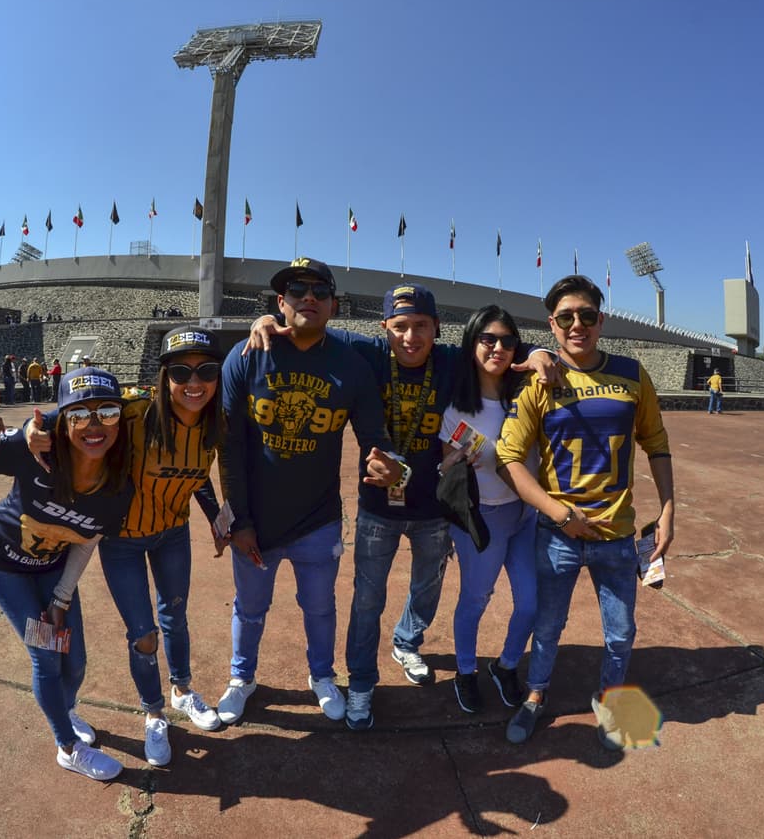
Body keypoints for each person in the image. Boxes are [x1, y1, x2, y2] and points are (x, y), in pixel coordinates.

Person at [244, 282, 557, 731]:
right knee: (367, 600)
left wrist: (541, 351)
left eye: (422, 326)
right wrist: (267, 321)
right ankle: (362, 682)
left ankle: (407, 641)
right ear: (384, 327)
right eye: (401, 326)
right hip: (378, 508)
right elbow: (310, 327)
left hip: (433, 508)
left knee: (427, 590)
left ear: (437, 328)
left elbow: (499, 347)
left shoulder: (451, 360)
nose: (411, 337)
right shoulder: (367, 353)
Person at [25, 327, 228, 767]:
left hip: (173, 533)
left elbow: (196, 475)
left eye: (207, 371)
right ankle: (154, 713)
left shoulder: (216, 424)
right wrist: (28, 430)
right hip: (122, 541)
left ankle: (182, 690)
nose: (194, 382)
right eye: (181, 372)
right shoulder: (133, 413)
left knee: (176, 617)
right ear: (164, 377)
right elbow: (65, 417)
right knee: (143, 635)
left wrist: (216, 516)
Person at [217, 257, 401, 726]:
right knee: (250, 608)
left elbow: (373, 437)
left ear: (334, 305)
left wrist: (385, 463)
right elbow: (229, 446)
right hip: (256, 521)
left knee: (319, 607)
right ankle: (242, 677)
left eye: (320, 292)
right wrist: (238, 519)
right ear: (281, 302)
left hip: (318, 519)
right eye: (297, 291)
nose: (309, 298)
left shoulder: (352, 364)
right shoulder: (247, 355)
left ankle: (322, 675)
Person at [0, 369, 135, 780]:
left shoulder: (119, 485)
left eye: (108, 412)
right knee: (46, 657)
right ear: (62, 420)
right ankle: (68, 747)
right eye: (79, 415)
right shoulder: (34, 450)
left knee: (75, 661)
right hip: (4, 563)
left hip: (51, 568)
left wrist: (60, 598)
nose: (94, 426)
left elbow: (86, 540)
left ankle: (65, 710)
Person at [497, 274, 675, 749]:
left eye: (587, 315)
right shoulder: (540, 380)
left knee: (621, 632)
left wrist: (669, 511)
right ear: (551, 325)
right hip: (558, 535)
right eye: (566, 317)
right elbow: (508, 457)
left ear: (602, 320)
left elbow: (656, 442)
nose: (577, 325)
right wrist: (560, 514)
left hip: (616, 534)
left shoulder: (632, 373)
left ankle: (611, 700)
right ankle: (535, 695)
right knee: (547, 626)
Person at [438, 305, 539, 714]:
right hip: (483, 518)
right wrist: (453, 459)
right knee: (476, 599)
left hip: (525, 515)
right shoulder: (457, 409)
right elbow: (444, 468)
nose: (498, 348)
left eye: (507, 341)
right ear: (472, 343)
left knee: (531, 603)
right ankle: (465, 670)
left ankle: (506, 665)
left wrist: (541, 354)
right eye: (488, 339)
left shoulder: (526, 394)